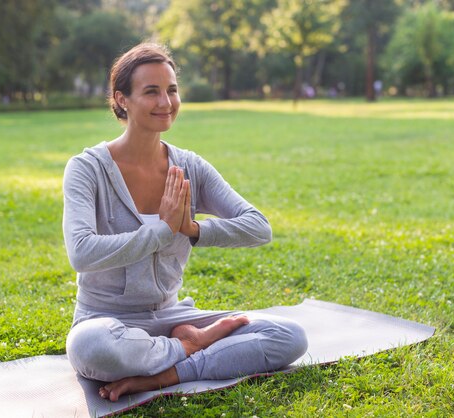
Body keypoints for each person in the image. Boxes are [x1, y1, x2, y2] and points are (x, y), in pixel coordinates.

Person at [62, 43, 308, 402]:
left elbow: (259, 227)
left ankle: (171, 370)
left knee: (289, 336)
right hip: (108, 322)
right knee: (90, 348)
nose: (166, 102)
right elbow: (81, 253)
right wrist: (162, 230)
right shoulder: (87, 169)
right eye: (151, 91)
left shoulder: (190, 166)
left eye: (172, 90)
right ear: (122, 99)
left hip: (172, 314)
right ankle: (188, 346)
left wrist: (193, 230)